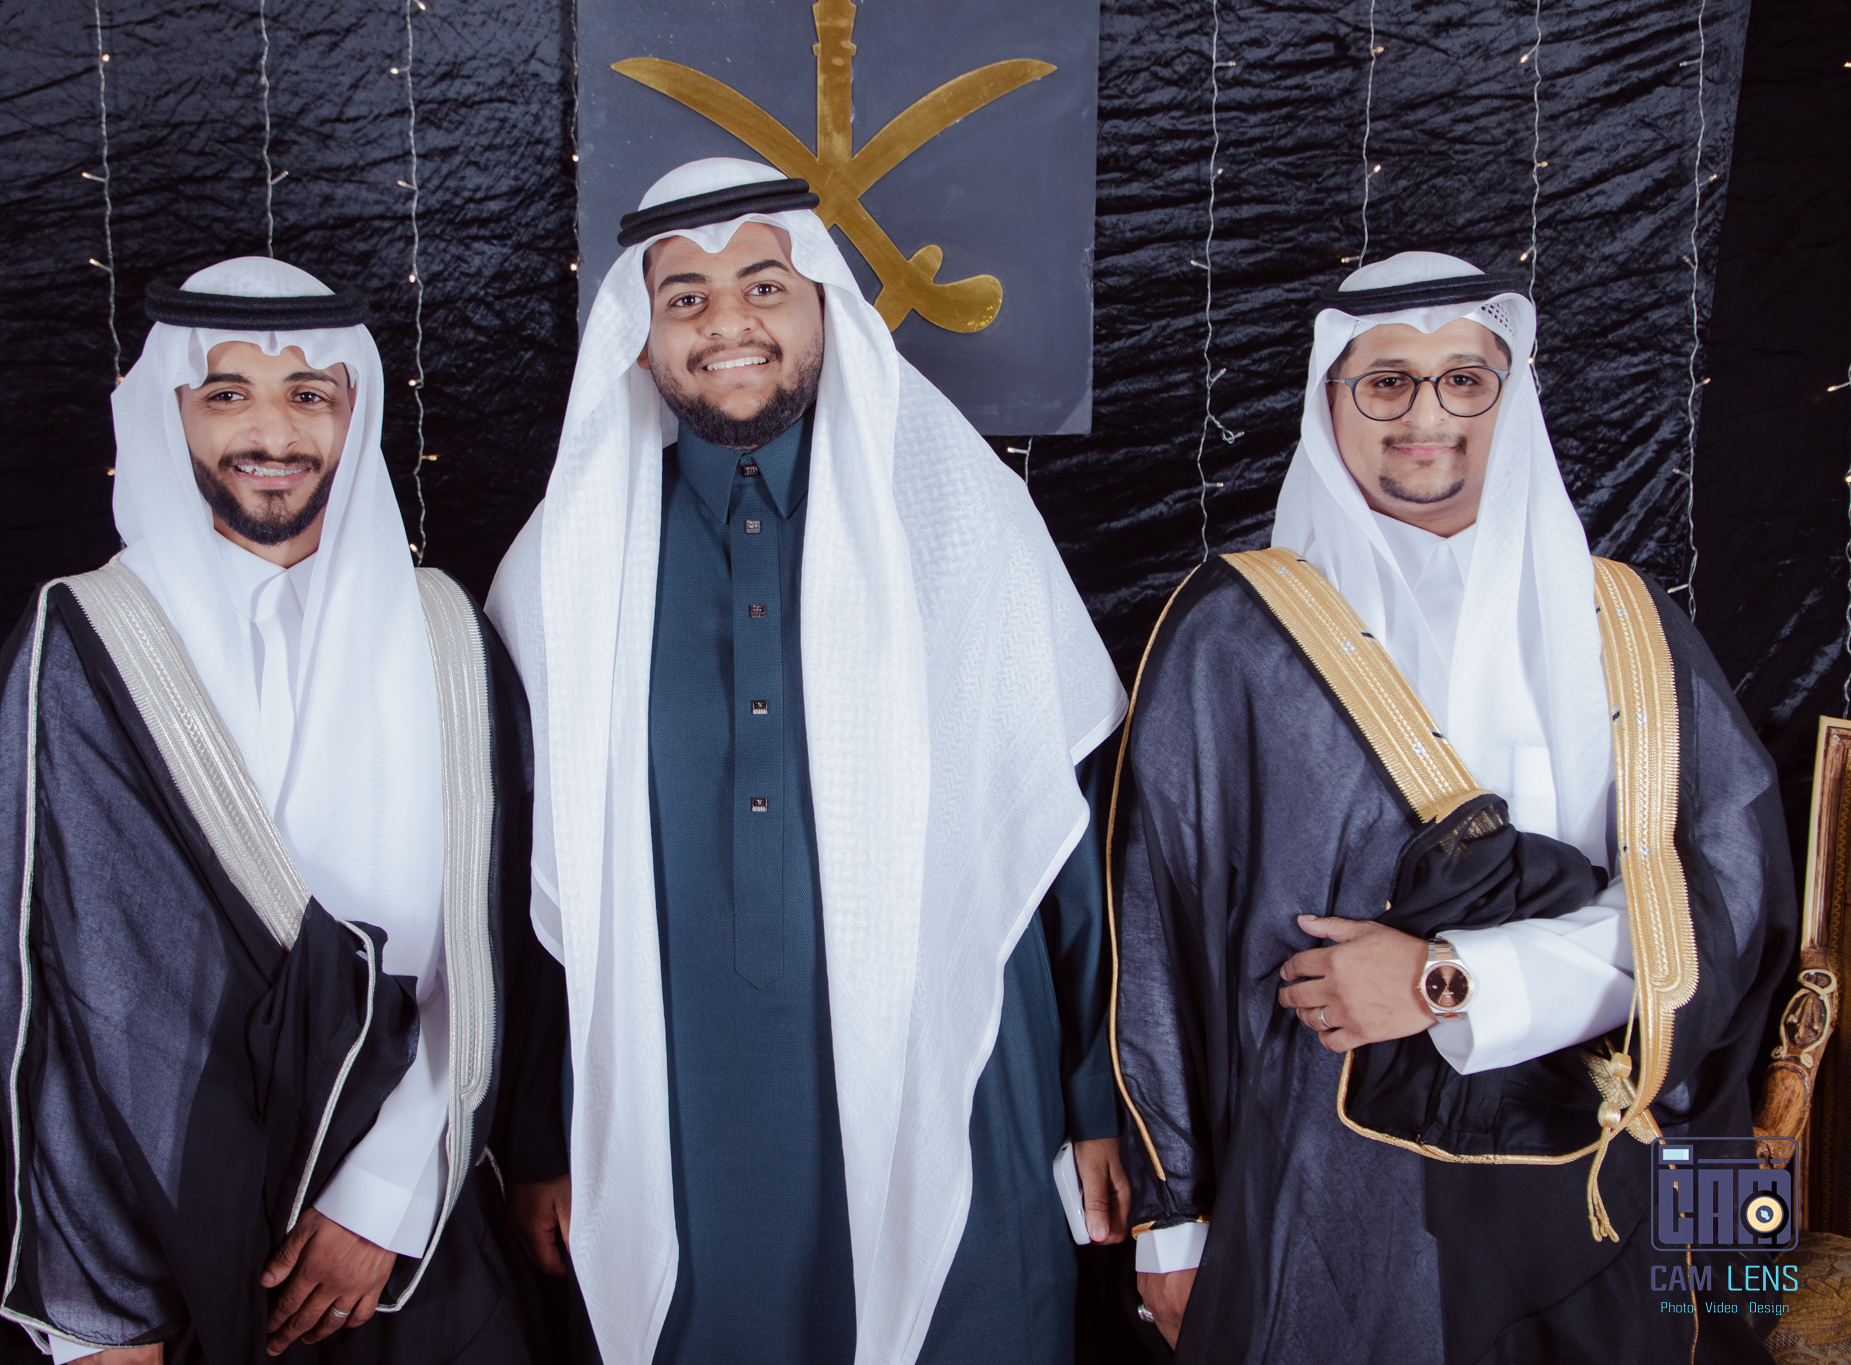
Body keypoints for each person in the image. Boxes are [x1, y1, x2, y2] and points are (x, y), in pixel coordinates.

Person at [485, 159, 1131, 1365]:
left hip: (957, 1069)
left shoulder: (962, 525)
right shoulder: (564, 567)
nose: (726, 321)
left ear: (823, 308)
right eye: (684, 297)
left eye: (763, 285)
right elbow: (527, 900)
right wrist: (537, 1139)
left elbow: (1062, 838)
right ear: (640, 342)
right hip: (672, 1103)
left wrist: (1099, 1103)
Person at [1112, 252, 1796, 1363]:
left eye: (1463, 380)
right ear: (1329, 402)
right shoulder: (1233, 631)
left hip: (1602, 1167)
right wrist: (1170, 1222)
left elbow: (1728, 910)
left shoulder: (1625, 621)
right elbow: (1155, 933)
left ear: (1506, 398)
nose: (1426, 415)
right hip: (1329, 1189)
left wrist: (1448, 981)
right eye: (1386, 381)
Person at [0, 258, 534, 1363]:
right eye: (227, 394)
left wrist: (381, 1201)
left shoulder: (446, 635)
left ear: (353, 412)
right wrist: (100, 1312)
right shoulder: (90, 637)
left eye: (308, 393)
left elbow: (487, 950)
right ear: (173, 413)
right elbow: (48, 990)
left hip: (399, 1202)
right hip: (162, 1201)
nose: (272, 432)